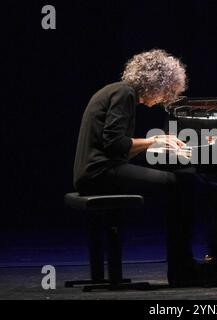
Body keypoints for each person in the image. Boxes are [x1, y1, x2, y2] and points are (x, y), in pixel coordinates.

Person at [73, 49, 203, 287]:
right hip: (99, 174)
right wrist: (154, 141)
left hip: (94, 171)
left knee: (178, 180)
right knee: (182, 184)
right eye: (167, 92)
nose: (164, 99)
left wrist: (154, 146)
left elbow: (119, 149)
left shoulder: (115, 90)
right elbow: (114, 145)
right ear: (157, 82)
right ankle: (182, 268)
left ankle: (183, 265)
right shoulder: (125, 94)